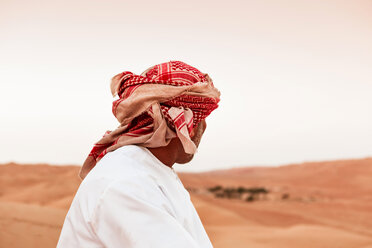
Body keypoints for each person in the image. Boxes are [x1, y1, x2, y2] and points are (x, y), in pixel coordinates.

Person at [57, 61, 220, 248]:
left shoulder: (146, 171)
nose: (204, 126)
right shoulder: (126, 182)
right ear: (184, 124)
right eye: (202, 118)